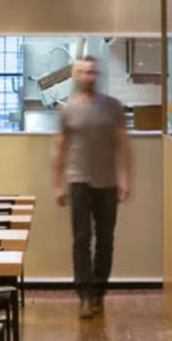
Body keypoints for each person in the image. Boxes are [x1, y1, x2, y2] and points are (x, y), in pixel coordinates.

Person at [52, 55, 132, 320]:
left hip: (107, 182)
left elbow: (123, 145)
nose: (89, 76)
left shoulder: (112, 107)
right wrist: (58, 184)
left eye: (92, 72)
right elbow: (60, 148)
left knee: (106, 240)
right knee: (81, 238)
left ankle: (99, 292)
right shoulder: (68, 109)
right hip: (78, 181)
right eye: (84, 72)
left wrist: (125, 178)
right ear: (77, 75)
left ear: (97, 75)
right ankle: (85, 295)